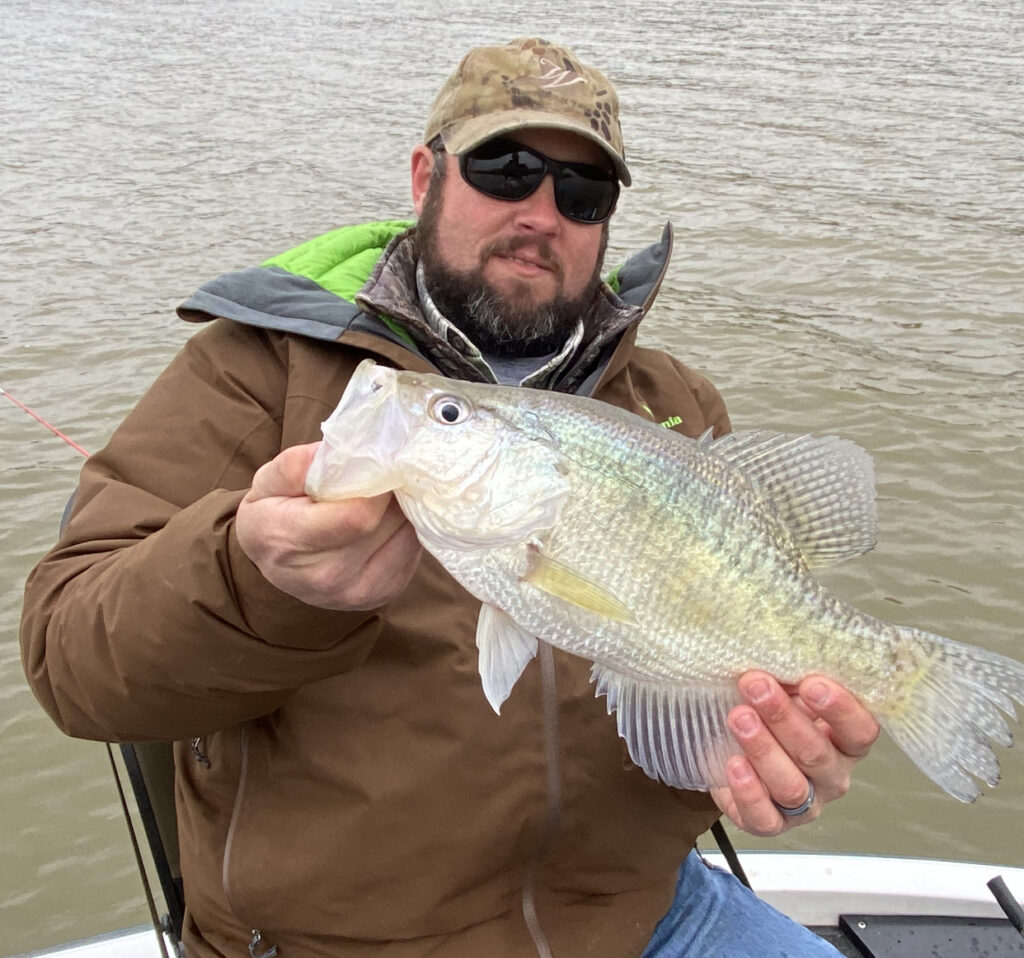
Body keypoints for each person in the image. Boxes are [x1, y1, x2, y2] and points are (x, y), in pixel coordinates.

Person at [21, 38, 879, 958]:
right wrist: (256, 579)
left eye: (582, 193)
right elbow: (71, 661)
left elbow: (676, 715)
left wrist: (758, 763)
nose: (541, 213)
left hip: (642, 919)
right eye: (505, 169)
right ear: (427, 174)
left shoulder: (667, 406)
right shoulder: (256, 372)